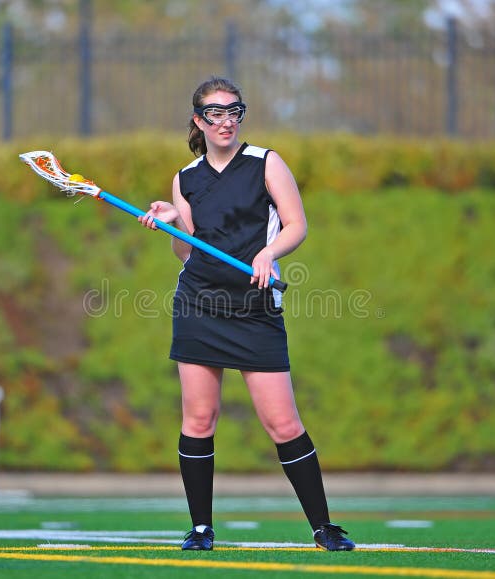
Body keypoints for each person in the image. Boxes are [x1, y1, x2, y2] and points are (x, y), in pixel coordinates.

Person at [137, 76, 355, 552]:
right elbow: (187, 252)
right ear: (199, 120)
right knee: (199, 419)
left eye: (234, 111)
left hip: (255, 309)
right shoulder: (185, 178)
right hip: (199, 304)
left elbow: (296, 225)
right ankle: (201, 529)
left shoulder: (266, 163)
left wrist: (268, 252)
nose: (226, 121)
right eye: (215, 113)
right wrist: (174, 223)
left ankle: (323, 527)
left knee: (283, 423)